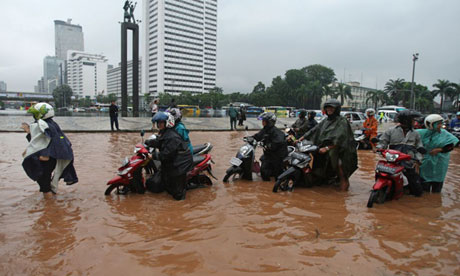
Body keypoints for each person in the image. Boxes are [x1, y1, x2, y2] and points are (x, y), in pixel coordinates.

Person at [20, 103, 78, 197]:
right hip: (54, 158)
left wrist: (28, 131)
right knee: (47, 183)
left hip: (47, 159)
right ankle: (51, 206)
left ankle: (49, 207)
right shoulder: (52, 124)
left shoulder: (41, 125)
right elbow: (44, 140)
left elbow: (43, 140)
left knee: (45, 187)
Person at [299, 99, 357, 191]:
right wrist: (301, 138)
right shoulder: (326, 120)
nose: (329, 109)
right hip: (323, 148)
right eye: (327, 108)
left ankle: (343, 191)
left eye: (331, 108)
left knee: (340, 167)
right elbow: (315, 129)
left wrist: (327, 148)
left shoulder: (342, 121)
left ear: (337, 109)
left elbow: (340, 138)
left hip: (339, 150)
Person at [377, 110, 424, 197]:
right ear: (407, 121)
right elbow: (383, 142)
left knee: (417, 190)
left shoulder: (416, 133)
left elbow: (419, 148)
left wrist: (418, 161)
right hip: (393, 160)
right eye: (413, 120)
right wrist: (379, 148)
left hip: (409, 162)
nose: (415, 122)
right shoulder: (390, 131)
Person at [151, 112, 193, 200]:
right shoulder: (165, 132)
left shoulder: (172, 136)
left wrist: (154, 156)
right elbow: (160, 142)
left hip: (180, 165)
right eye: (158, 123)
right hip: (172, 163)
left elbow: (166, 154)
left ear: (167, 122)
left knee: (178, 194)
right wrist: (148, 143)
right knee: (167, 187)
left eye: (161, 122)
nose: (159, 124)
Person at [417, 114, 459, 193]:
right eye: (438, 124)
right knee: (424, 187)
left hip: (440, 161)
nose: (440, 126)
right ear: (430, 124)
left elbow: (452, 145)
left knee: (437, 186)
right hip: (426, 161)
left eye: (441, 123)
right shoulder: (422, 133)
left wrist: (440, 149)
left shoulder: (444, 133)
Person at [252, 112, 288, 181]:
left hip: (277, 155)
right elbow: (258, 136)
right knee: (263, 171)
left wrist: (270, 145)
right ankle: (266, 187)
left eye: (264, 121)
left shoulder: (277, 132)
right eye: (262, 121)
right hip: (268, 154)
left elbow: (278, 142)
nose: (262, 123)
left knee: (278, 175)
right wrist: (251, 138)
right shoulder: (265, 130)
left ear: (269, 122)